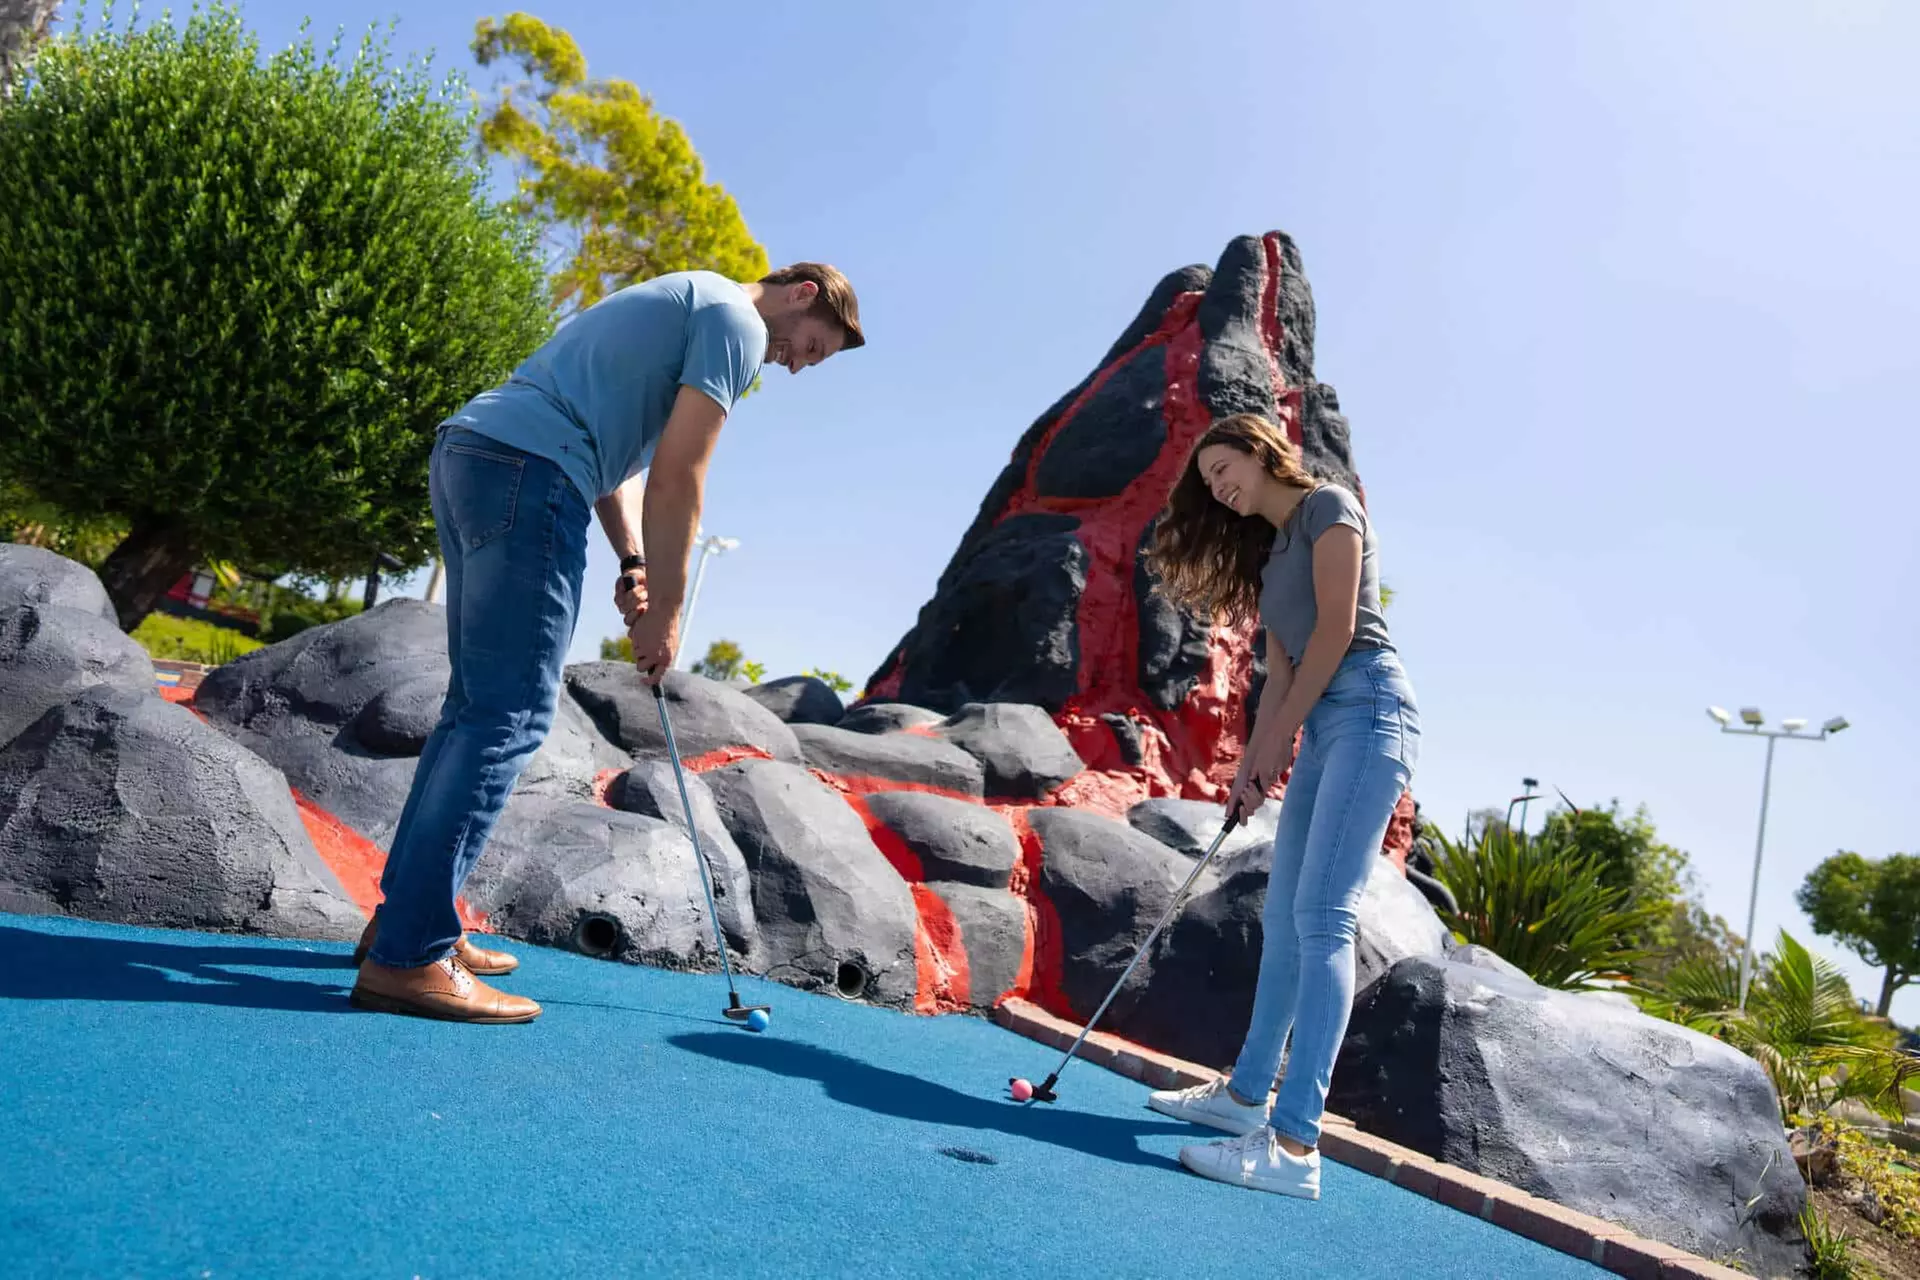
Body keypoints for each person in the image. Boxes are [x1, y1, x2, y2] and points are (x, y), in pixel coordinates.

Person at [349, 263, 865, 1024]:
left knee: (475, 710)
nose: (792, 363)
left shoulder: (693, 299)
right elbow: (680, 476)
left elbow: (608, 459)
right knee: (510, 717)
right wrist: (670, 613)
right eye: (812, 348)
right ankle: (409, 956)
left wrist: (632, 562)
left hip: (477, 453)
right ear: (803, 294)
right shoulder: (738, 324)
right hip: (528, 472)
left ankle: (404, 925)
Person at [1139, 411, 1419, 1199]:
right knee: (1287, 918)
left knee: (1326, 917)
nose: (1219, 488)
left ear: (1261, 451)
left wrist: (1285, 735)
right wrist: (1251, 768)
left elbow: (1333, 637)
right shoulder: (1270, 562)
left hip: (1369, 711)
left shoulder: (1330, 506)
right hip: (1328, 724)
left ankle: (1295, 1148)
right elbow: (1279, 682)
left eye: (1223, 468)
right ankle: (1243, 1097)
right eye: (1208, 483)